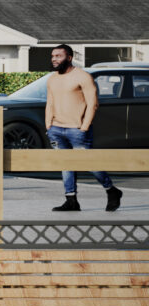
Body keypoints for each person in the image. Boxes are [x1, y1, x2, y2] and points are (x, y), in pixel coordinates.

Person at [44, 43, 122, 212]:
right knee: (65, 165)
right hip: (56, 129)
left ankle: (112, 190)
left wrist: (84, 127)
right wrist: (48, 125)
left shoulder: (83, 76)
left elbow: (93, 103)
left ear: (69, 58)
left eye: (58, 56)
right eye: (52, 56)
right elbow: (49, 102)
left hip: (77, 129)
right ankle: (71, 200)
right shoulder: (52, 79)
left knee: (90, 163)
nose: (54, 59)